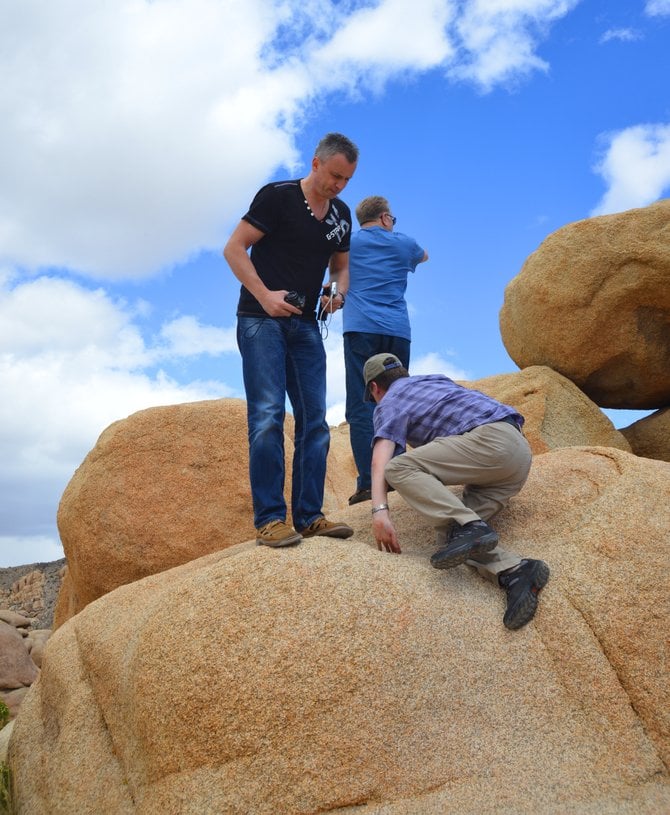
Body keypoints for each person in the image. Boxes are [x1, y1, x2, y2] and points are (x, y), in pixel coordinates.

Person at [223, 133, 359, 547]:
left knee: (314, 421)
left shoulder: (341, 215)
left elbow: (340, 268)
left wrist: (337, 293)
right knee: (266, 417)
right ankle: (269, 519)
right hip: (260, 320)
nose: (338, 185)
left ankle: (308, 516)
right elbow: (234, 249)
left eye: (346, 179)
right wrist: (264, 296)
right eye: (334, 175)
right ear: (315, 163)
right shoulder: (277, 196)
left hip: (305, 326)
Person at [363, 353, 550, 630]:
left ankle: (472, 526)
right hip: (517, 457)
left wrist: (380, 512)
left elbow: (383, 461)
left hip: (490, 444)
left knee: (398, 468)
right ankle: (516, 571)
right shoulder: (436, 381)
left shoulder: (390, 401)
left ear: (375, 388)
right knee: (453, 539)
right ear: (403, 374)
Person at [343, 196, 428, 506]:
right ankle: (400, 475)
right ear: (385, 218)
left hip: (360, 328)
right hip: (396, 332)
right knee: (398, 400)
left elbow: (334, 267)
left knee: (362, 404)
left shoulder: (349, 242)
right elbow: (425, 256)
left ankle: (369, 483)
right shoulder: (403, 243)